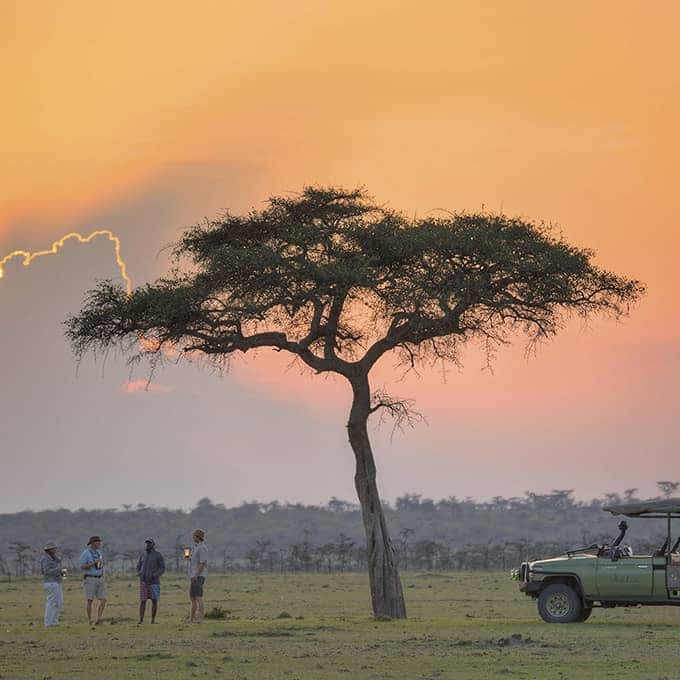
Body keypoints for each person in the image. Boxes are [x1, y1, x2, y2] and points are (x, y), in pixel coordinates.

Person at [79, 535, 106, 625]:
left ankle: (99, 618)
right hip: (90, 578)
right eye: (97, 542)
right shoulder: (86, 553)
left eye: (99, 541)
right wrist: (93, 563)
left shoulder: (99, 553)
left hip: (100, 577)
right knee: (90, 600)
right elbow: (82, 566)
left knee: (103, 599)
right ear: (92, 543)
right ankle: (90, 619)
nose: (99, 543)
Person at [136, 538, 165, 624]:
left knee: (154, 601)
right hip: (143, 581)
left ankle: (153, 620)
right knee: (143, 601)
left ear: (153, 545)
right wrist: (140, 573)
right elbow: (138, 566)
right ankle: (141, 620)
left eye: (149, 543)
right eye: (147, 543)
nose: (148, 545)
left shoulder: (158, 555)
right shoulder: (143, 555)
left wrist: (155, 575)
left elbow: (162, 568)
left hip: (154, 582)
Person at [40, 541, 65, 627]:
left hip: (57, 582)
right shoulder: (45, 559)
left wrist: (61, 572)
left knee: (59, 603)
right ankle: (48, 622)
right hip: (50, 582)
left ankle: (54, 622)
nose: (55, 550)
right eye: (53, 548)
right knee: (51, 603)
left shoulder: (55, 559)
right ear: (49, 550)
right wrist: (58, 569)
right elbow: (46, 571)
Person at [188, 528, 208, 623]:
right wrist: (188, 557)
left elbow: (202, 563)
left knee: (198, 597)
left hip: (198, 576)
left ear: (198, 537)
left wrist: (196, 574)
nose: (193, 537)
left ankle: (201, 619)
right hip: (193, 575)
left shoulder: (202, 548)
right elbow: (193, 561)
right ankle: (191, 619)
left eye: (194, 536)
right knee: (192, 597)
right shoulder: (195, 547)